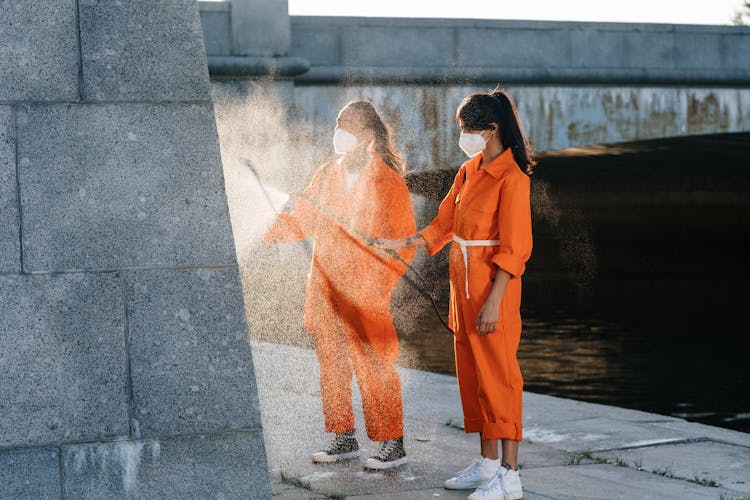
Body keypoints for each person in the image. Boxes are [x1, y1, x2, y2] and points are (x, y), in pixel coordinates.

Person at [374, 88, 534, 499]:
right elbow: (444, 224)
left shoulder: (512, 178)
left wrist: (494, 302)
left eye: (467, 129)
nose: (462, 136)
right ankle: (487, 465)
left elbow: (515, 250)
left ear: (492, 129)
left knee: (500, 378)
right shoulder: (469, 171)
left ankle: (510, 476)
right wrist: (405, 242)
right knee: (473, 376)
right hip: (461, 292)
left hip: (492, 293)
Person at [264, 100, 416, 470]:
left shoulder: (388, 181)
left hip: (365, 294)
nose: (339, 134)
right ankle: (343, 438)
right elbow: (304, 220)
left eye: (346, 127)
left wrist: (379, 288)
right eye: (337, 126)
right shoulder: (327, 174)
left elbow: (404, 242)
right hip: (325, 290)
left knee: (374, 366)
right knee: (332, 367)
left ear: (366, 135)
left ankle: (391, 444)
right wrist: (269, 226)